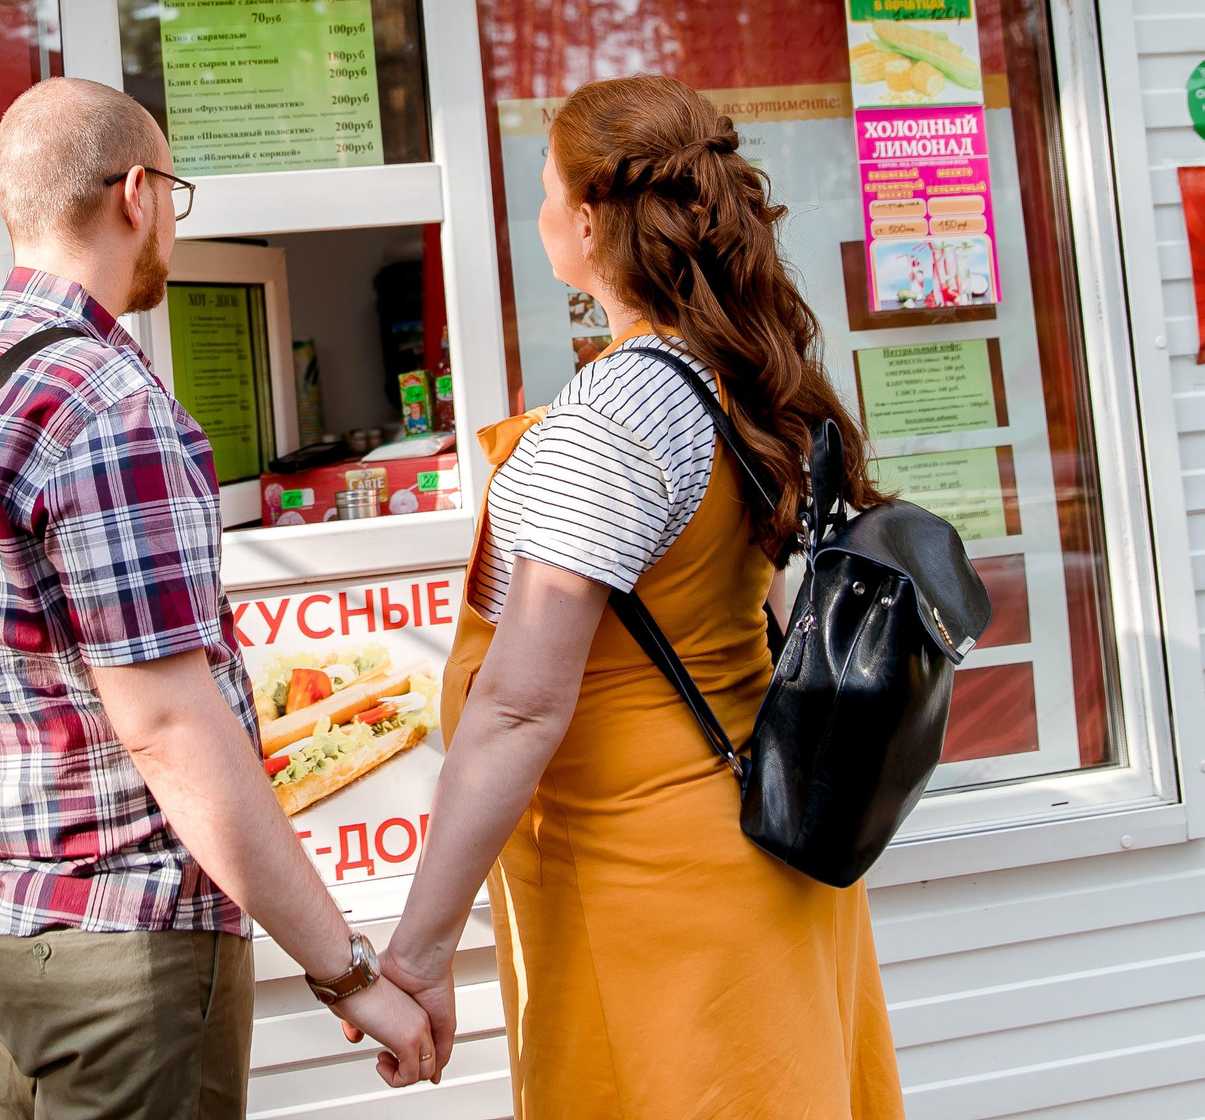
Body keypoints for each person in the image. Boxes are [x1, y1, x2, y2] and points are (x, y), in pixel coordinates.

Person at [0, 78, 436, 1119]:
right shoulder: (110, 408)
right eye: (178, 192)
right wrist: (348, 976)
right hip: (121, 958)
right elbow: (167, 728)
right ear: (139, 195)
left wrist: (23, 722)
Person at [374, 74, 907, 1117]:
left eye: (541, 193)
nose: (537, 218)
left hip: (655, 887)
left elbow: (521, 706)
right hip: (758, 838)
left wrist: (421, 951)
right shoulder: (741, 373)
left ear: (583, 218)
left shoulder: (614, 416)